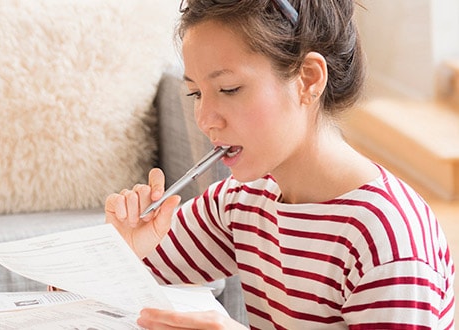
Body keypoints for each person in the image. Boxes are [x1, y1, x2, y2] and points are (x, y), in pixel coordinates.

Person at [106, 0, 455, 328]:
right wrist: (127, 250)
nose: (205, 119)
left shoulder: (387, 241)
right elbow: (103, 290)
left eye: (229, 89)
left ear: (309, 79)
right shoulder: (241, 201)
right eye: (196, 93)